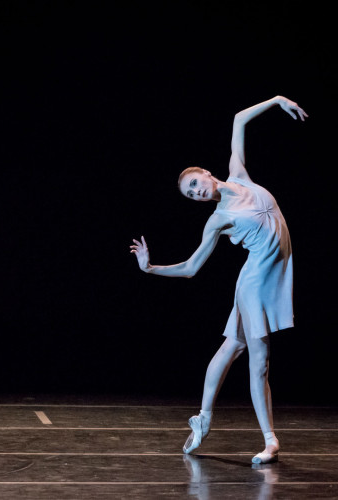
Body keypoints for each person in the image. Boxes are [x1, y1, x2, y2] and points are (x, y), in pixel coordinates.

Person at [130, 96, 308, 464]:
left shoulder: (239, 174)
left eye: (196, 183)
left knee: (232, 348)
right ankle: (270, 440)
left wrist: (277, 101)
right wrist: (151, 268)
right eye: (191, 194)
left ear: (209, 174)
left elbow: (239, 119)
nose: (197, 192)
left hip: (268, 276)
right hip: (255, 282)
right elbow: (193, 266)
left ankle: (203, 419)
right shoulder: (218, 219)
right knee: (258, 361)